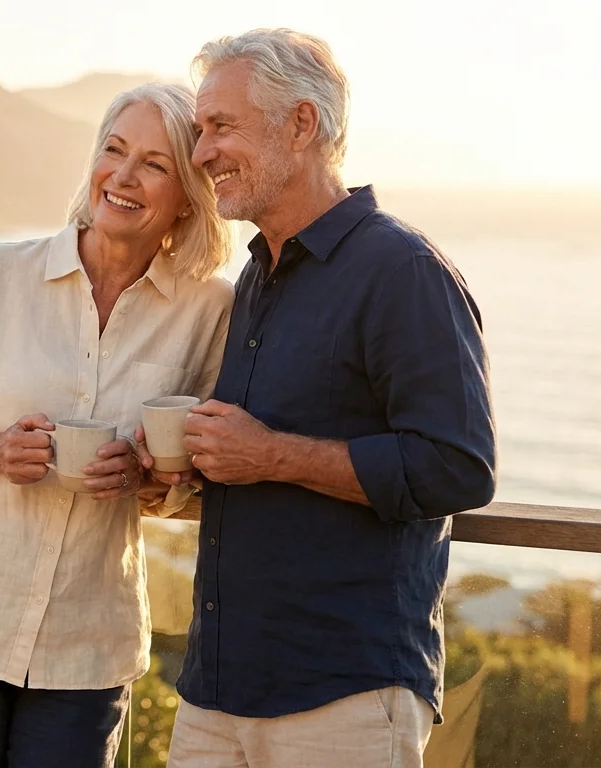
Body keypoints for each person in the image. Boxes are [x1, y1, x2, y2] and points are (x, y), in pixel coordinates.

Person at [139, 29, 497, 768]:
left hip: (343, 698)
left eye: (221, 127)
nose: (201, 153)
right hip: (215, 693)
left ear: (301, 125)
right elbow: (254, 456)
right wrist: (187, 466)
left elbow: (457, 468)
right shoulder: (256, 280)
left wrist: (270, 455)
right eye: (201, 131)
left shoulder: (404, 270)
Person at [0, 83, 234, 767]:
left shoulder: (210, 312)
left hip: (86, 644)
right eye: (114, 150)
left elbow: (191, 477)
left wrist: (150, 476)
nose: (123, 176)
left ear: (188, 194)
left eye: (155, 164)